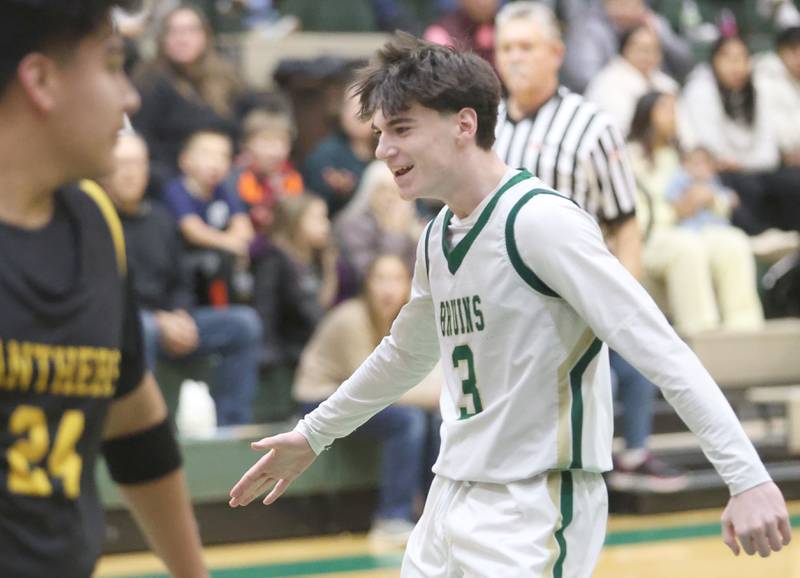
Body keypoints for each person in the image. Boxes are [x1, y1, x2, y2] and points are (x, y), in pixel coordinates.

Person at [229, 33, 790, 576]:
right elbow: (403, 354)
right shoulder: (437, 235)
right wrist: (314, 434)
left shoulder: (540, 222)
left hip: (535, 506)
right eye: (378, 133)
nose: (382, 149)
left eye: (400, 128)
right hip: (449, 497)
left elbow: (660, 348)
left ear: (463, 126)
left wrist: (746, 477)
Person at [0, 1, 208, 577]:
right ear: (40, 80)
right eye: (113, 65)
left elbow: (134, 421)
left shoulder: (95, 222)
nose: (131, 97)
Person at [493, 2, 682, 491]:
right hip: (501, 299)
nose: (515, 58)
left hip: (573, 296)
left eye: (527, 47)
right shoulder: (482, 128)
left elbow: (625, 222)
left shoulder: (592, 126)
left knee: (610, 388)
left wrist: (622, 296)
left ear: (556, 53)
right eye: (507, 47)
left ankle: (628, 459)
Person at [105, 133, 263, 426]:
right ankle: (145, 429)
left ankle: (232, 428)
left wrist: (181, 315)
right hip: (128, 324)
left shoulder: (161, 219)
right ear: (105, 169)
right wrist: (159, 319)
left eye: (138, 164)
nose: (131, 173)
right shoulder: (95, 220)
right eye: (122, 164)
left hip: (173, 320)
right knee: (143, 328)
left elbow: (181, 280)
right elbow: (105, 291)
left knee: (244, 324)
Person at [293, 253, 440, 544]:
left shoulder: (403, 318)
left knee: (433, 418)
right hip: (321, 400)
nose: (388, 288)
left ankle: (432, 513)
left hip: (364, 399)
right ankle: (391, 518)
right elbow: (368, 389)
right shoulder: (350, 318)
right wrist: (436, 395)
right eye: (380, 279)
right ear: (366, 284)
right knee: (408, 420)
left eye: (397, 279)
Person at [628, 92, 764, 334]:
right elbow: (632, 212)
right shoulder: (631, 156)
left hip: (695, 228)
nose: (673, 117)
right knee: (687, 248)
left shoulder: (684, 156)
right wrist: (674, 212)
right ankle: (701, 333)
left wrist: (710, 199)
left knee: (733, 242)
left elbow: (715, 195)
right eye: (665, 110)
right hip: (653, 237)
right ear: (647, 113)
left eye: (675, 110)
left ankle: (746, 329)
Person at [132, 4, 244, 189]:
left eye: (191, 31)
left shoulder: (226, 76)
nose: (183, 39)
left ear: (205, 36)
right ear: (163, 39)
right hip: (175, 180)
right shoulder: (148, 82)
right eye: (174, 32)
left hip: (226, 174)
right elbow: (145, 142)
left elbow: (247, 119)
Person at [561, 0, 693, 94]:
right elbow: (585, 80)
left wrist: (660, 33)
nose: (629, 8)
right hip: (603, 102)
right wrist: (632, 86)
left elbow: (686, 63)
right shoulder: (588, 28)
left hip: (648, 101)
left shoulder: (649, 23)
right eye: (622, 3)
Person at [334, 161, 421, 293]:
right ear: (369, 191)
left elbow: (419, 276)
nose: (391, 198)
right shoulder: (351, 225)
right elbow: (368, 277)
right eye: (383, 190)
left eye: (397, 191)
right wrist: (394, 233)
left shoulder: (410, 224)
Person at [584, 24, 679, 136]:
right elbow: (618, 131)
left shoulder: (666, 84)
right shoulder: (608, 83)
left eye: (653, 49)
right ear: (624, 49)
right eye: (640, 49)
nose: (647, 56)